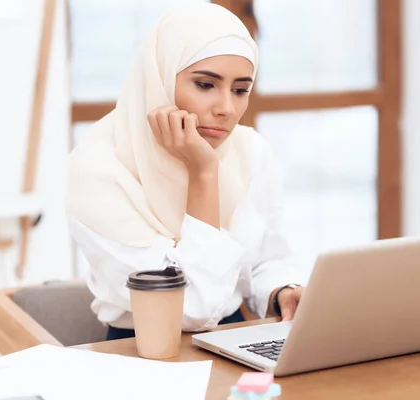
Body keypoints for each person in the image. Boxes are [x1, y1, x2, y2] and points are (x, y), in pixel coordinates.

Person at [65, 3, 305, 341]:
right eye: (206, 85)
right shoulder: (98, 167)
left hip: (234, 335)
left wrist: (281, 289)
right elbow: (191, 309)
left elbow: (267, 257)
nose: (225, 109)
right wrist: (204, 172)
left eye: (240, 90)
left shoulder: (249, 151)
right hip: (140, 348)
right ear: (160, 77)